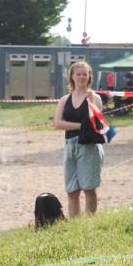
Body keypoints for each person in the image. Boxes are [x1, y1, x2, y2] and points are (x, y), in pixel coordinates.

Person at [54, 61, 105, 218]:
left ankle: (90, 221)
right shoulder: (64, 100)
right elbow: (57, 123)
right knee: (72, 190)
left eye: (85, 74)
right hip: (70, 146)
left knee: (89, 188)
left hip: (89, 146)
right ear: (72, 76)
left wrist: (90, 104)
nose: (82, 77)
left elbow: (96, 122)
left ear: (89, 76)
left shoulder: (94, 97)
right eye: (78, 74)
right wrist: (81, 125)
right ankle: (75, 224)